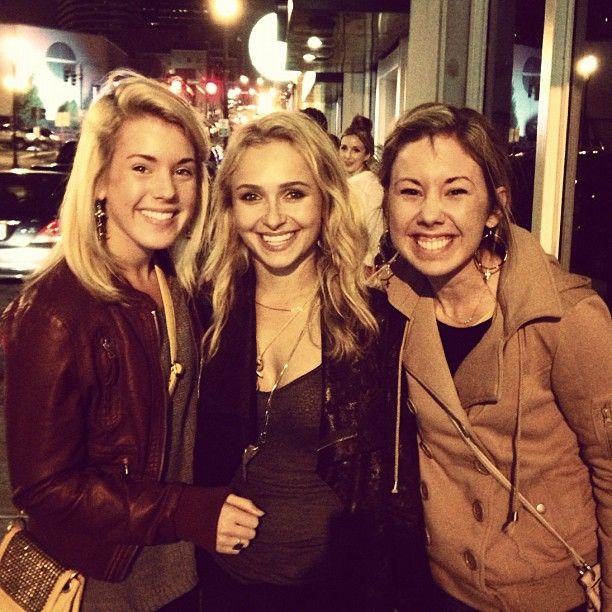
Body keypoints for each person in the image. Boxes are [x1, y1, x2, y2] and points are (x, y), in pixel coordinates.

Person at [1, 69, 263, 611]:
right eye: (142, 167)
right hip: (101, 587)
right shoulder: (57, 310)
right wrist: (184, 511)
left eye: (182, 170)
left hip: (181, 575)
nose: (166, 190)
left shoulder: (178, 283)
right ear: (100, 179)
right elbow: (43, 488)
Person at [374, 102, 612, 611]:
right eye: (410, 191)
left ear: (494, 208)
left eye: (456, 191)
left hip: (552, 596)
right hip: (441, 587)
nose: (429, 213)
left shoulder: (565, 317)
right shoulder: (392, 305)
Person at [194, 110, 430, 611]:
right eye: (251, 196)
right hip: (221, 587)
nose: (273, 218)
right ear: (229, 208)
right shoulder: (204, 313)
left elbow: (406, 481)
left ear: (326, 199)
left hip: (337, 593)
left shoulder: (373, 324)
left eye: (293, 193)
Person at [340, 114, 384, 269]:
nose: (347, 156)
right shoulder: (351, 184)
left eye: (356, 150)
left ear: (367, 155)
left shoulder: (366, 186)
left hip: (361, 266)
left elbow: (373, 231)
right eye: (344, 148)